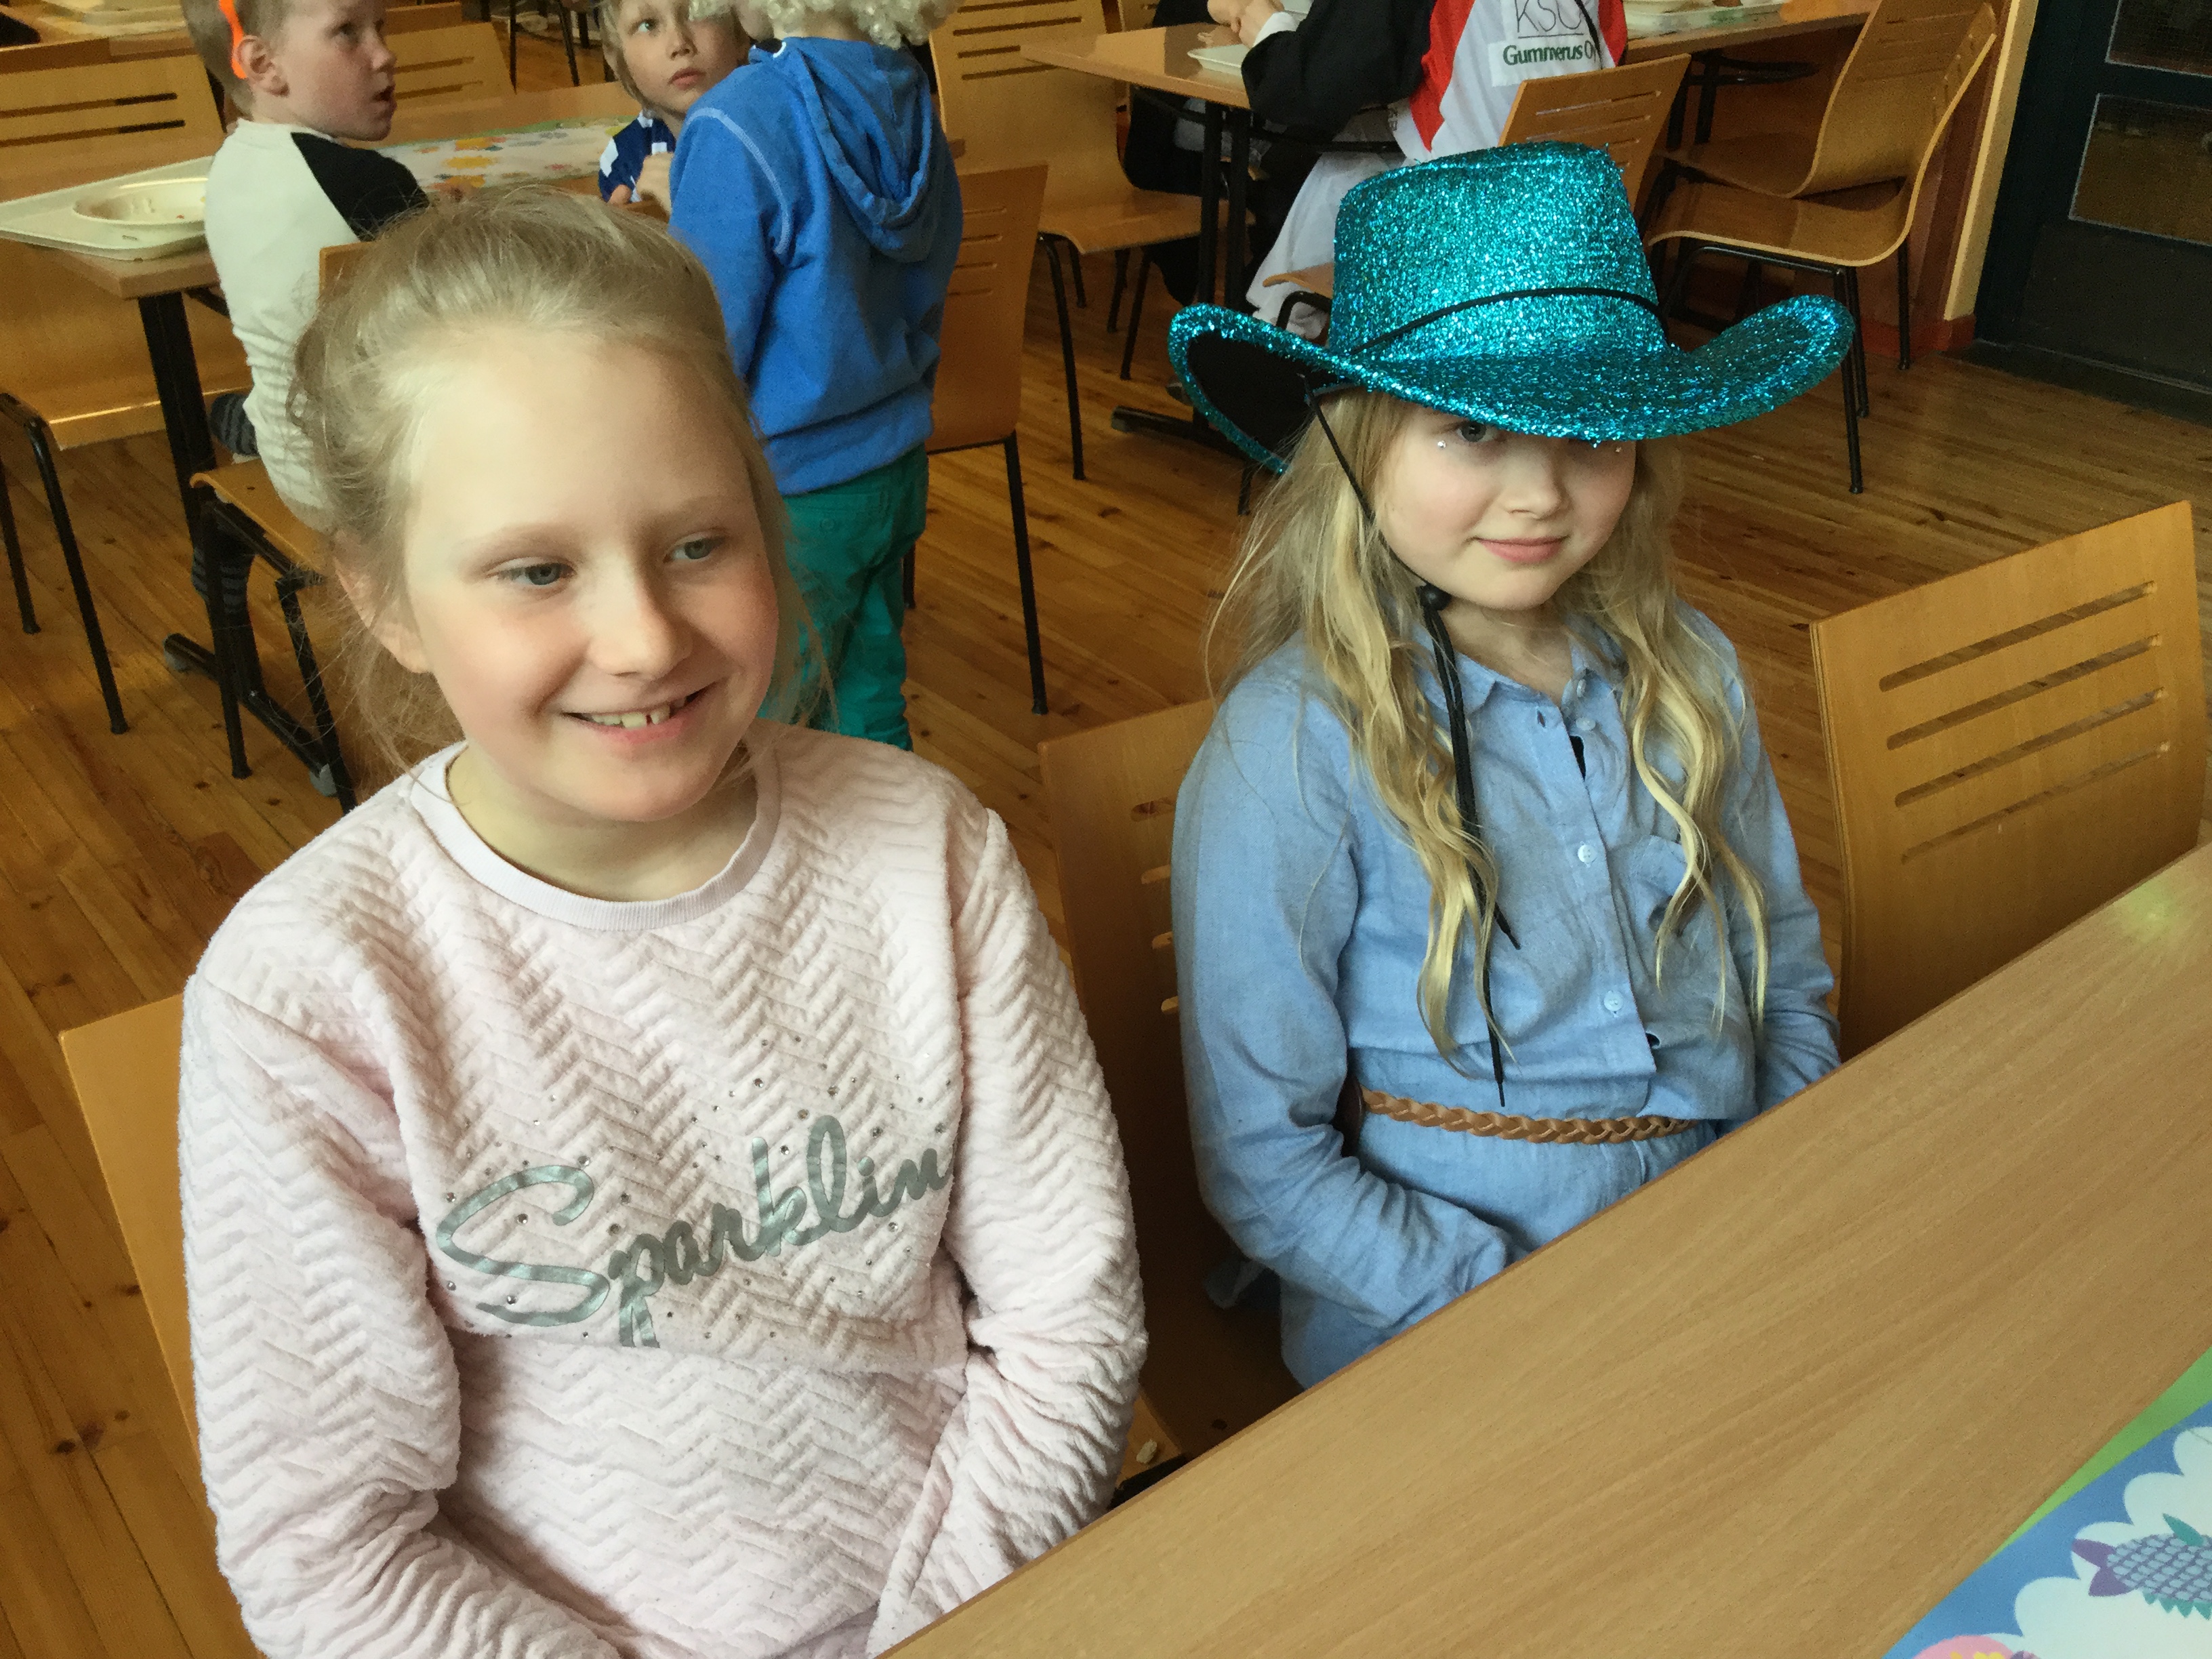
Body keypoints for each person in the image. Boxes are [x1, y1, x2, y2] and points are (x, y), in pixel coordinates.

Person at [179, 188, 1145, 1659]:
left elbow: (1070, 1322)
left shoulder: (930, 853)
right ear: (385, 600)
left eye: (697, 543)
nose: (641, 639)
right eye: (536, 569)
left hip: (982, 1599)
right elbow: (328, 1543)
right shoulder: (311, 986)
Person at [1164, 144, 1852, 1388]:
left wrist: (1773, 1184)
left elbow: (1783, 979)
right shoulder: (1293, 747)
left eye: (1587, 432)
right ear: (1357, 443)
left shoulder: (1690, 672)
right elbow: (1265, 1163)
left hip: (1726, 1245)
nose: (1538, 493)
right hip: (1448, 1322)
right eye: (1471, 428)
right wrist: (1524, 1309)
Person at [666, 0, 961, 752]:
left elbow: (705, 345)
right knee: (868, 704)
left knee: (763, 725)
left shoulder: (736, 119)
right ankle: (895, 830)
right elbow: (931, 284)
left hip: (789, 488)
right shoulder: (910, 99)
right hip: (893, 465)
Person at [1207, 0, 1625, 321]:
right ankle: (1279, 325)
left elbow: (1303, 89)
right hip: (1585, 239)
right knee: (1360, 146)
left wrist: (1266, 25)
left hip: (1464, 251)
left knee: (1340, 160)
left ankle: (1279, 335)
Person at [184, 0, 424, 520]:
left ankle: (245, 423)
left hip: (296, 468)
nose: (385, 55)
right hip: (390, 490)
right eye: (347, 32)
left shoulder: (231, 164)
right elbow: (469, 310)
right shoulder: (367, 183)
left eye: (379, 27)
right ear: (264, 64)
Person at [594, 0, 747, 206]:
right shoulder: (625, 159)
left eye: (697, 13)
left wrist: (693, 209)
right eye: (648, 25)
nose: (679, 44)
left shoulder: (778, 137)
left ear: (740, 35)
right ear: (617, 57)